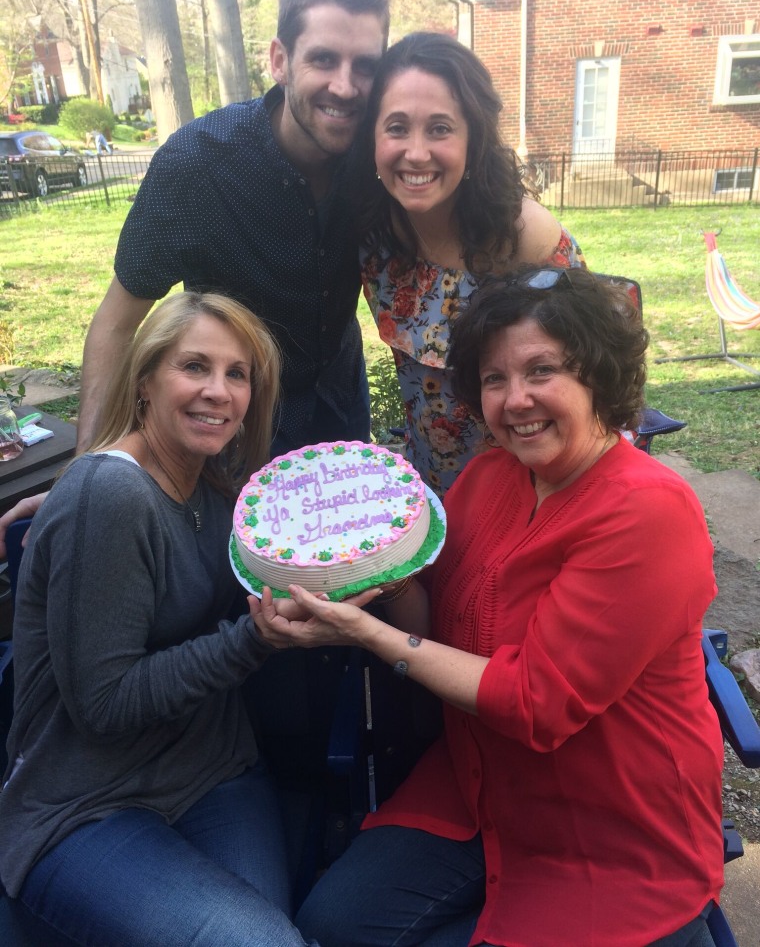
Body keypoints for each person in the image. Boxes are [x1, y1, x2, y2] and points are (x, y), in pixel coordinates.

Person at [252, 267, 724, 947]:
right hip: (480, 786)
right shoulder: (487, 479)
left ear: (597, 374)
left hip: (613, 824)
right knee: (331, 924)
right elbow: (436, 628)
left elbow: (536, 702)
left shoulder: (647, 510)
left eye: (541, 370)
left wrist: (367, 636)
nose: (515, 399)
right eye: (495, 378)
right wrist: (386, 585)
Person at [0, 0, 389, 561]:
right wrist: (85, 470)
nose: (346, 85)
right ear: (280, 60)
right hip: (233, 413)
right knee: (239, 592)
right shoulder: (198, 165)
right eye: (324, 59)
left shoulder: (379, 156)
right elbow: (118, 317)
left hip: (338, 394)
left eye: (365, 65)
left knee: (344, 571)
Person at [0, 292, 337, 946]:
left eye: (236, 373)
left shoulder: (217, 483)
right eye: (194, 367)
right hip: (85, 804)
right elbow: (103, 702)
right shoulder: (111, 495)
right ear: (146, 379)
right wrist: (253, 639)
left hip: (213, 773)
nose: (218, 390)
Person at [353, 32, 586, 495]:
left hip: (529, 488)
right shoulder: (374, 234)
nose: (416, 152)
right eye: (397, 127)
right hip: (432, 487)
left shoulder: (523, 236)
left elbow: (592, 371)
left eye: (440, 128)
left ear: (473, 137)